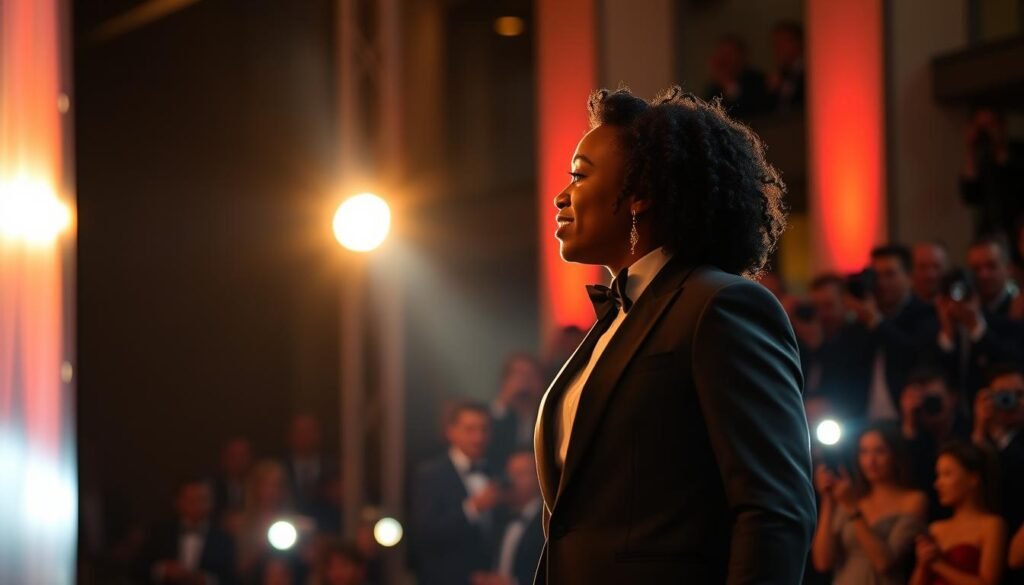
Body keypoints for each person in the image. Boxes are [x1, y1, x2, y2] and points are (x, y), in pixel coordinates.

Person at [535, 86, 815, 584]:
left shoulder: (720, 305)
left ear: (640, 192)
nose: (561, 196)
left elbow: (774, 512)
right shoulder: (610, 324)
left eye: (579, 176)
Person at [811, 422, 927, 584]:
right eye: (864, 452)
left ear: (895, 454)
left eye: (879, 451)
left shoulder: (913, 500)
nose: (871, 460)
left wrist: (853, 509)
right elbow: (823, 562)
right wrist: (828, 501)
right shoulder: (851, 496)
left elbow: (884, 563)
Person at [411, 401, 496, 585]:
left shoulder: (496, 471)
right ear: (451, 432)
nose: (478, 437)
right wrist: (472, 508)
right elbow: (425, 533)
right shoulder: (431, 474)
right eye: (470, 429)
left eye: (484, 429)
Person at [909, 441, 1007, 585]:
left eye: (947, 474)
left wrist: (939, 565)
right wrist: (922, 564)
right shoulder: (936, 528)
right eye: (938, 475)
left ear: (973, 479)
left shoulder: (992, 525)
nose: (937, 484)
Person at [898, 367, 968, 518]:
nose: (929, 407)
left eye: (934, 400)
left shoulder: (968, 430)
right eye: (923, 402)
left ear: (952, 397)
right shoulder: (914, 437)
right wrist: (909, 422)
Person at [139, 479, 237, 585]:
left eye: (201, 499)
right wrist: (163, 569)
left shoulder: (223, 539)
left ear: (211, 503)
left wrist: (206, 580)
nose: (196, 505)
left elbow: (232, 578)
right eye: (190, 499)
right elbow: (138, 568)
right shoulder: (159, 533)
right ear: (177, 502)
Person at [471, 450, 544, 585]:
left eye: (521, 473)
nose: (511, 480)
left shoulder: (546, 523)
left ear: (539, 477)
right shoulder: (500, 518)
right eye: (510, 473)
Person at [972, 364, 1024, 538]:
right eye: (1003, 396)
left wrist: (998, 433)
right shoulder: (978, 438)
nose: (1012, 402)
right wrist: (980, 428)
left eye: (1019, 394)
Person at [959, 108, 1024, 239]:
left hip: (1017, 232)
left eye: (990, 124)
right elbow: (970, 195)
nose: (987, 131)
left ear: (1002, 125)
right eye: (981, 127)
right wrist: (970, 149)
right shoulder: (985, 162)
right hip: (991, 234)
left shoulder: (1018, 153)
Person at [488, 353, 545, 466]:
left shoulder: (550, 419)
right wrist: (504, 400)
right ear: (505, 380)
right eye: (518, 375)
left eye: (531, 375)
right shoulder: (491, 417)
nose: (525, 381)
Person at [704, 36, 769, 119]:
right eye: (722, 54)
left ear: (741, 56)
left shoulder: (755, 80)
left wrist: (727, 83)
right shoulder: (713, 88)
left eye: (730, 53)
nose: (725, 59)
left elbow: (747, 111)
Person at [766, 20, 805, 112]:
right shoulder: (779, 75)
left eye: (781, 43)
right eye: (775, 44)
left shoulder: (810, 73)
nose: (777, 49)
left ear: (797, 43)